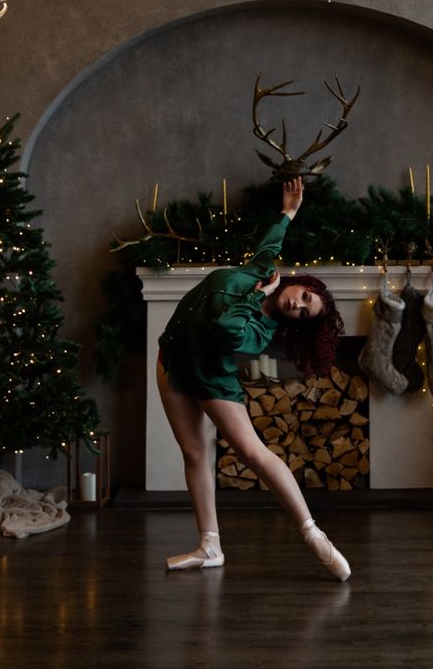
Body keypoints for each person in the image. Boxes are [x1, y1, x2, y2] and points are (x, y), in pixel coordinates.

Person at [157, 176, 351, 581]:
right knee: (194, 454)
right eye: (305, 297)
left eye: (302, 312)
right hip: (172, 359)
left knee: (253, 453)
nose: (297, 304)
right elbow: (270, 243)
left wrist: (254, 295)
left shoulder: (260, 331)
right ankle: (209, 545)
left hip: (211, 378)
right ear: (303, 284)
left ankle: (312, 532)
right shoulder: (264, 269)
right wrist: (288, 213)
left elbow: (226, 327)